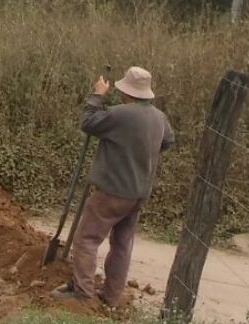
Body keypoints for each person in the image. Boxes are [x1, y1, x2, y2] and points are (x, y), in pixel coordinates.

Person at [52, 66, 175, 308]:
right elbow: (168, 141)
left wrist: (97, 96)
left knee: (86, 238)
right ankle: (110, 298)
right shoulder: (159, 118)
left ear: (127, 93)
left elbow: (88, 122)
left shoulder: (121, 115)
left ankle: (83, 293)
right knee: (121, 244)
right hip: (138, 194)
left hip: (112, 192)